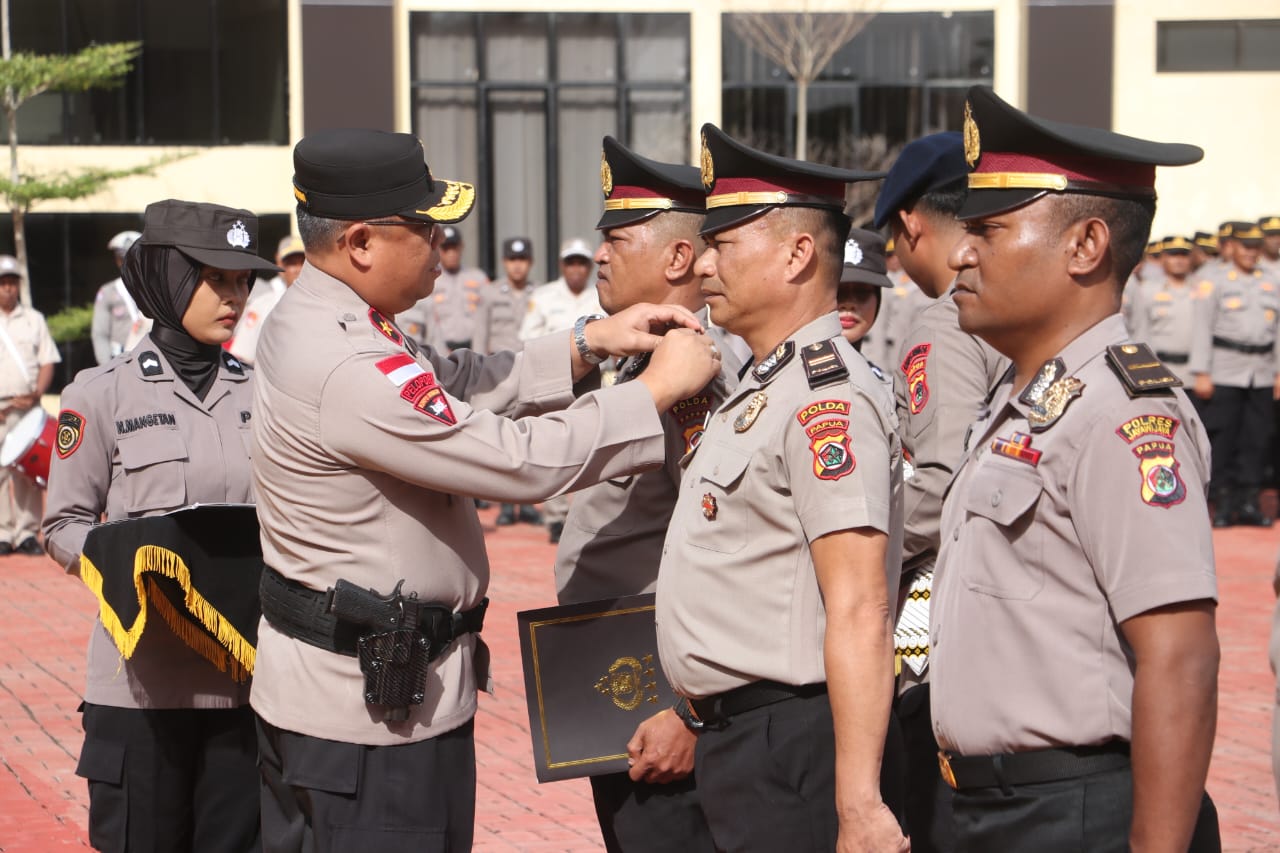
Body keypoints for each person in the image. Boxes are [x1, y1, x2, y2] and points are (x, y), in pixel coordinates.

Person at [249, 127, 721, 853]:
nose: (441, 243)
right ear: (361, 242)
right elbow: (516, 461)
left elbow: (454, 382)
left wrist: (589, 342)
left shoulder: (336, 317)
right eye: (425, 227)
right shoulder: (343, 359)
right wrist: (651, 391)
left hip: (363, 703)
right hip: (366, 732)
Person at [930, 84, 1219, 852]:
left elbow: (1180, 656)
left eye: (988, 230)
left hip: (1078, 813)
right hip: (994, 807)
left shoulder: (1122, 413)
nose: (960, 252)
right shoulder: (1026, 399)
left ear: (1086, 246)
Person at [655, 124, 907, 852]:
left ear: (797, 254)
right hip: (741, 737)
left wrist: (859, 805)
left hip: (792, 739)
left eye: (724, 244)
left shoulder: (828, 399)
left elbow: (860, 605)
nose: (704, 263)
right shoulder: (766, 386)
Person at [43, 199, 280, 852]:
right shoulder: (99, 392)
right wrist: (125, 559)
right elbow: (62, 523)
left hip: (242, 686)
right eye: (215, 278)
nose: (234, 296)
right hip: (140, 686)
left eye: (242, 281)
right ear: (168, 279)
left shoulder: (263, 393)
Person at [555, 136, 741, 853]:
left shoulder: (691, 374)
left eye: (618, 239)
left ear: (677, 258)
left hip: (661, 696)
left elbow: (727, 549)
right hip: (619, 683)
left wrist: (691, 710)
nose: (599, 255)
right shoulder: (645, 357)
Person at [872, 130, 1010, 853]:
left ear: (911, 224)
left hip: (939, 618)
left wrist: (863, 549)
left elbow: (940, 480)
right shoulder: (1016, 306)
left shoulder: (949, 321)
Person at [1189, 221, 1279, 527]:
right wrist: (1201, 371)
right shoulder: (1213, 280)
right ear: (1233, 247)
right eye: (1246, 247)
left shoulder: (1271, 279)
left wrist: (1278, 372)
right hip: (1224, 369)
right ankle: (1224, 502)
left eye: (1256, 248)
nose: (1251, 253)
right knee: (1224, 437)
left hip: (1261, 371)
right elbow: (1202, 328)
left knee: (1257, 438)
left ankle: (1249, 501)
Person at [521, 236, 605, 541]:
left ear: (589, 267)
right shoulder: (543, 297)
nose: (576, 268)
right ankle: (556, 516)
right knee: (552, 445)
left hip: (595, 381)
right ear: (561, 265)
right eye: (571, 262)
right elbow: (527, 338)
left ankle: (585, 515)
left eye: (582, 262)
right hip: (554, 380)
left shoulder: (601, 296)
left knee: (592, 446)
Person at [474, 236, 543, 527]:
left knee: (529, 436)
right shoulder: (490, 293)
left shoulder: (539, 293)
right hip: (498, 376)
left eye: (523, 260)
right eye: (513, 260)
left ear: (531, 262)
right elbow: (480, 334)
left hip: (530, 372)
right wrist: (478, 373)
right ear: (504, 262)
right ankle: (505, 503)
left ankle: (526, 503)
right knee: (500, 439)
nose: (518, 266)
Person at [0, 255, 59, 555]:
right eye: (3, 283)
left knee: (27, 472)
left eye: (12, 283)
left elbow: (48, 359)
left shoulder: (34, 319)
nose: (8, 288)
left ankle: (26, 532)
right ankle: (2, 532)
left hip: (26, 405)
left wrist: (36, 393)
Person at [398, 224, 488, 351]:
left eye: (454, 247)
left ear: (461, 247)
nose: (451, 253)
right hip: (441, 348)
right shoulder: (430, 278)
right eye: (446, 248)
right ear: (438, 248)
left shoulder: (478, 278)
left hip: (473, 348)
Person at [1129, 235, 1197, 388]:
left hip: (1193, 373)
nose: (1179, 260)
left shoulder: (1202, 289)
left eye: (1183, 255)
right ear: (1163, 258)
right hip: (1158, 368)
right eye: (1173, 255)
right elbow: (1140, 331)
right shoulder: (1146, 290)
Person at [230, 234, 305, 365]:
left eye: (303, 262)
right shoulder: (263, 305)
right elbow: (242, 356)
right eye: (291, 263)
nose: (298, 269)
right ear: (280, 265)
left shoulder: (328, 303)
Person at [835, 227, 893, 356]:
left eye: (862, 293)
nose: (849, 304)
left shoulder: (873, 370)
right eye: (838, 292)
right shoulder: (793, 368)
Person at [90, 230, 143, 365]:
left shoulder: (155, 289)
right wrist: (107, 367)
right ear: (117, 260)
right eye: (123, 258)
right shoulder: (108, 292)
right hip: (120, 360)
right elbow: (100, 334)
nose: (129, 263)